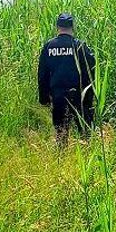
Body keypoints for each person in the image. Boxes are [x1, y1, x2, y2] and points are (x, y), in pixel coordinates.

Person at [38, 12, 96, 145]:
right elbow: (91, 69)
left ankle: (61, 158)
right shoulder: (79, 45)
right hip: (79, 96)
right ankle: (88, 157)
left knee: (61, 133)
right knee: (86, 132)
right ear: (72, 27)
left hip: (58, 95)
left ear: (57, 26)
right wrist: (90, 94)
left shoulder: (49, 46)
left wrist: (44, 98)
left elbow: (43, 74)